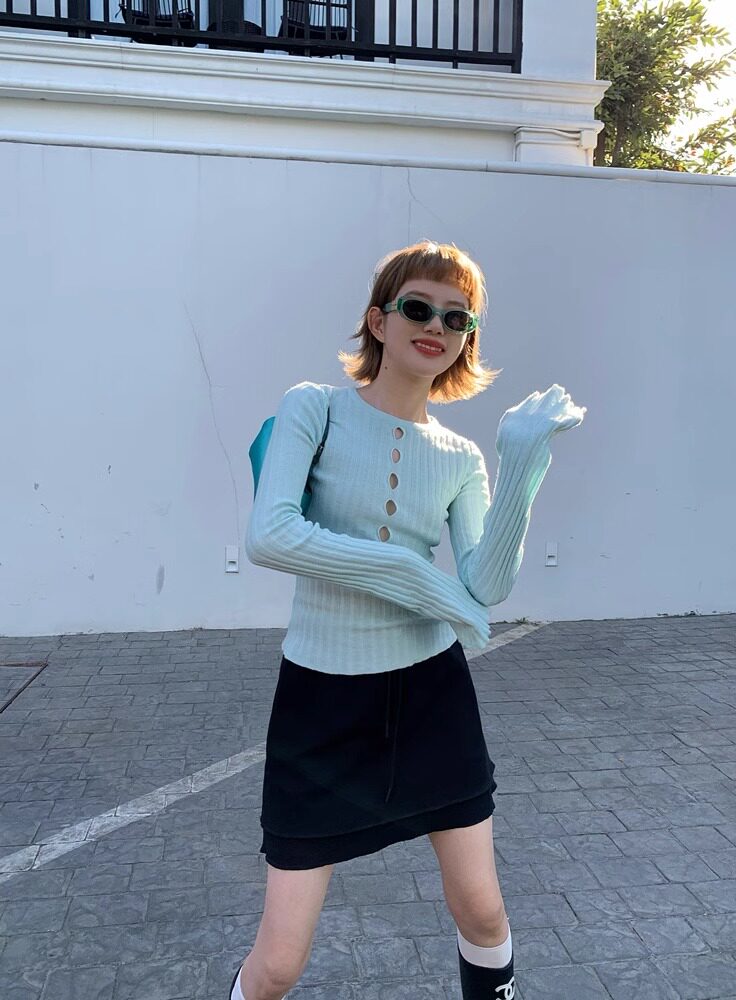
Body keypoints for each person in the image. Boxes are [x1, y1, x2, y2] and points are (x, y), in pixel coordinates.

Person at [234, 239, 587, 1000]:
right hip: (321, 704)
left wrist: (522, 463)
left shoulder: (460, 455)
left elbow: (484, 586)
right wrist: (416, 578)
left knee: (483, 912)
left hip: (432, 696)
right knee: (280, 962)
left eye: (458, 318)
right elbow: (271, 535)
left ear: (468, 339)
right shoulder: (314, 408)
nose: (437, 325)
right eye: (419, 307)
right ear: (378, 320)